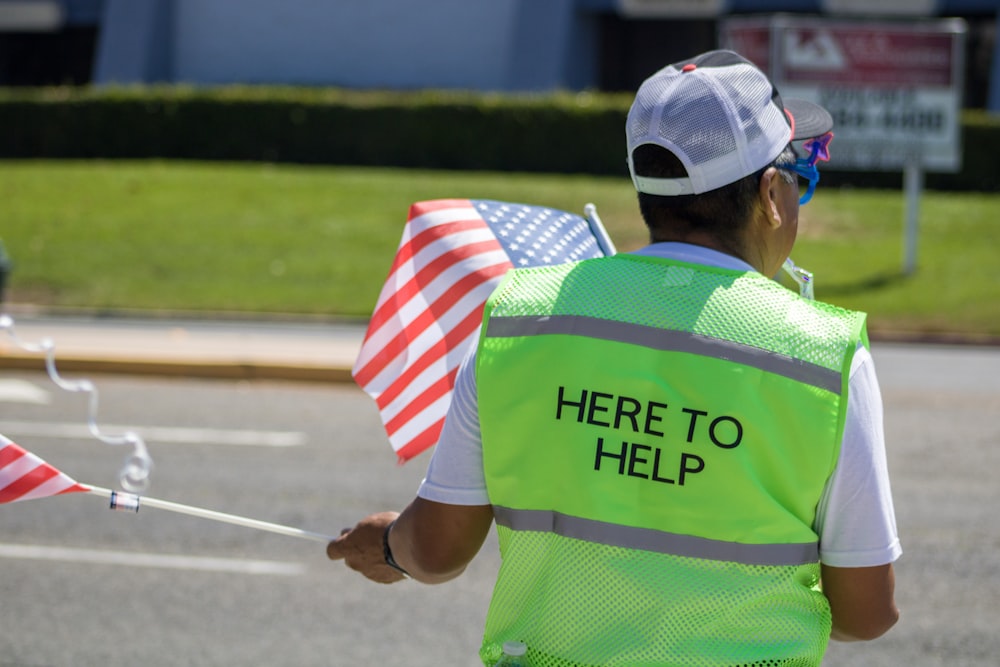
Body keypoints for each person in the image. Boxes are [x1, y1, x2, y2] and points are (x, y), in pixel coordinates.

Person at [328, 49, 901, 666]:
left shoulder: (522, 317)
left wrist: (388, 544)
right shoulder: (823, 355)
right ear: (769, 193)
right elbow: (867, 613)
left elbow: (437, 551)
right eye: (800, 183)